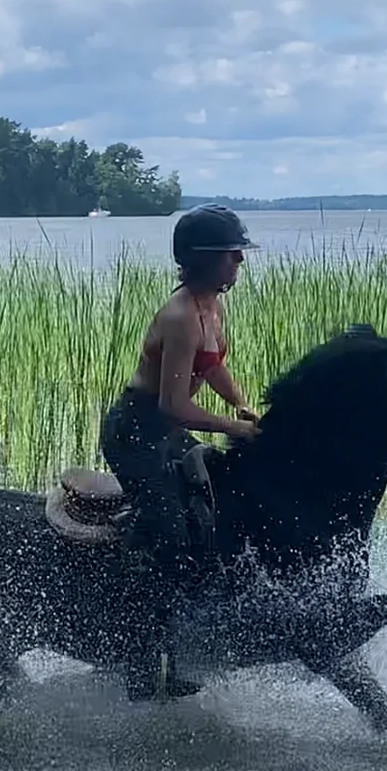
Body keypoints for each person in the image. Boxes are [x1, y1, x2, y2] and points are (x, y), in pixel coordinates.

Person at [100, 206, 259, 697]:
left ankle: (195, 629)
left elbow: (210, 367)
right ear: (203, 259)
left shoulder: (212, 306)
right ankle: (140, 653)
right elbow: (173, 404)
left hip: (165, 430)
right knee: (169, 536)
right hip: (136, 432)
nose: (239, 261)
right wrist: (231, 427)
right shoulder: (180, 317)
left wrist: (240, 403)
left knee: (215, 509)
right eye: (231, 254)